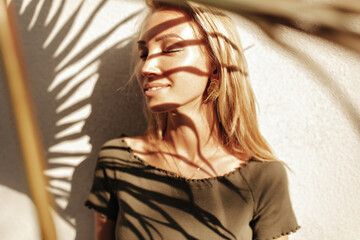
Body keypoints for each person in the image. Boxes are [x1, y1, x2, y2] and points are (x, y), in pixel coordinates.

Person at [85, 0, 300, 239]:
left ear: (215, 66)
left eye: (170, 49)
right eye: (144, 53)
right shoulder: (116, 161)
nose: (147, 67)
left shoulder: (262, 177)